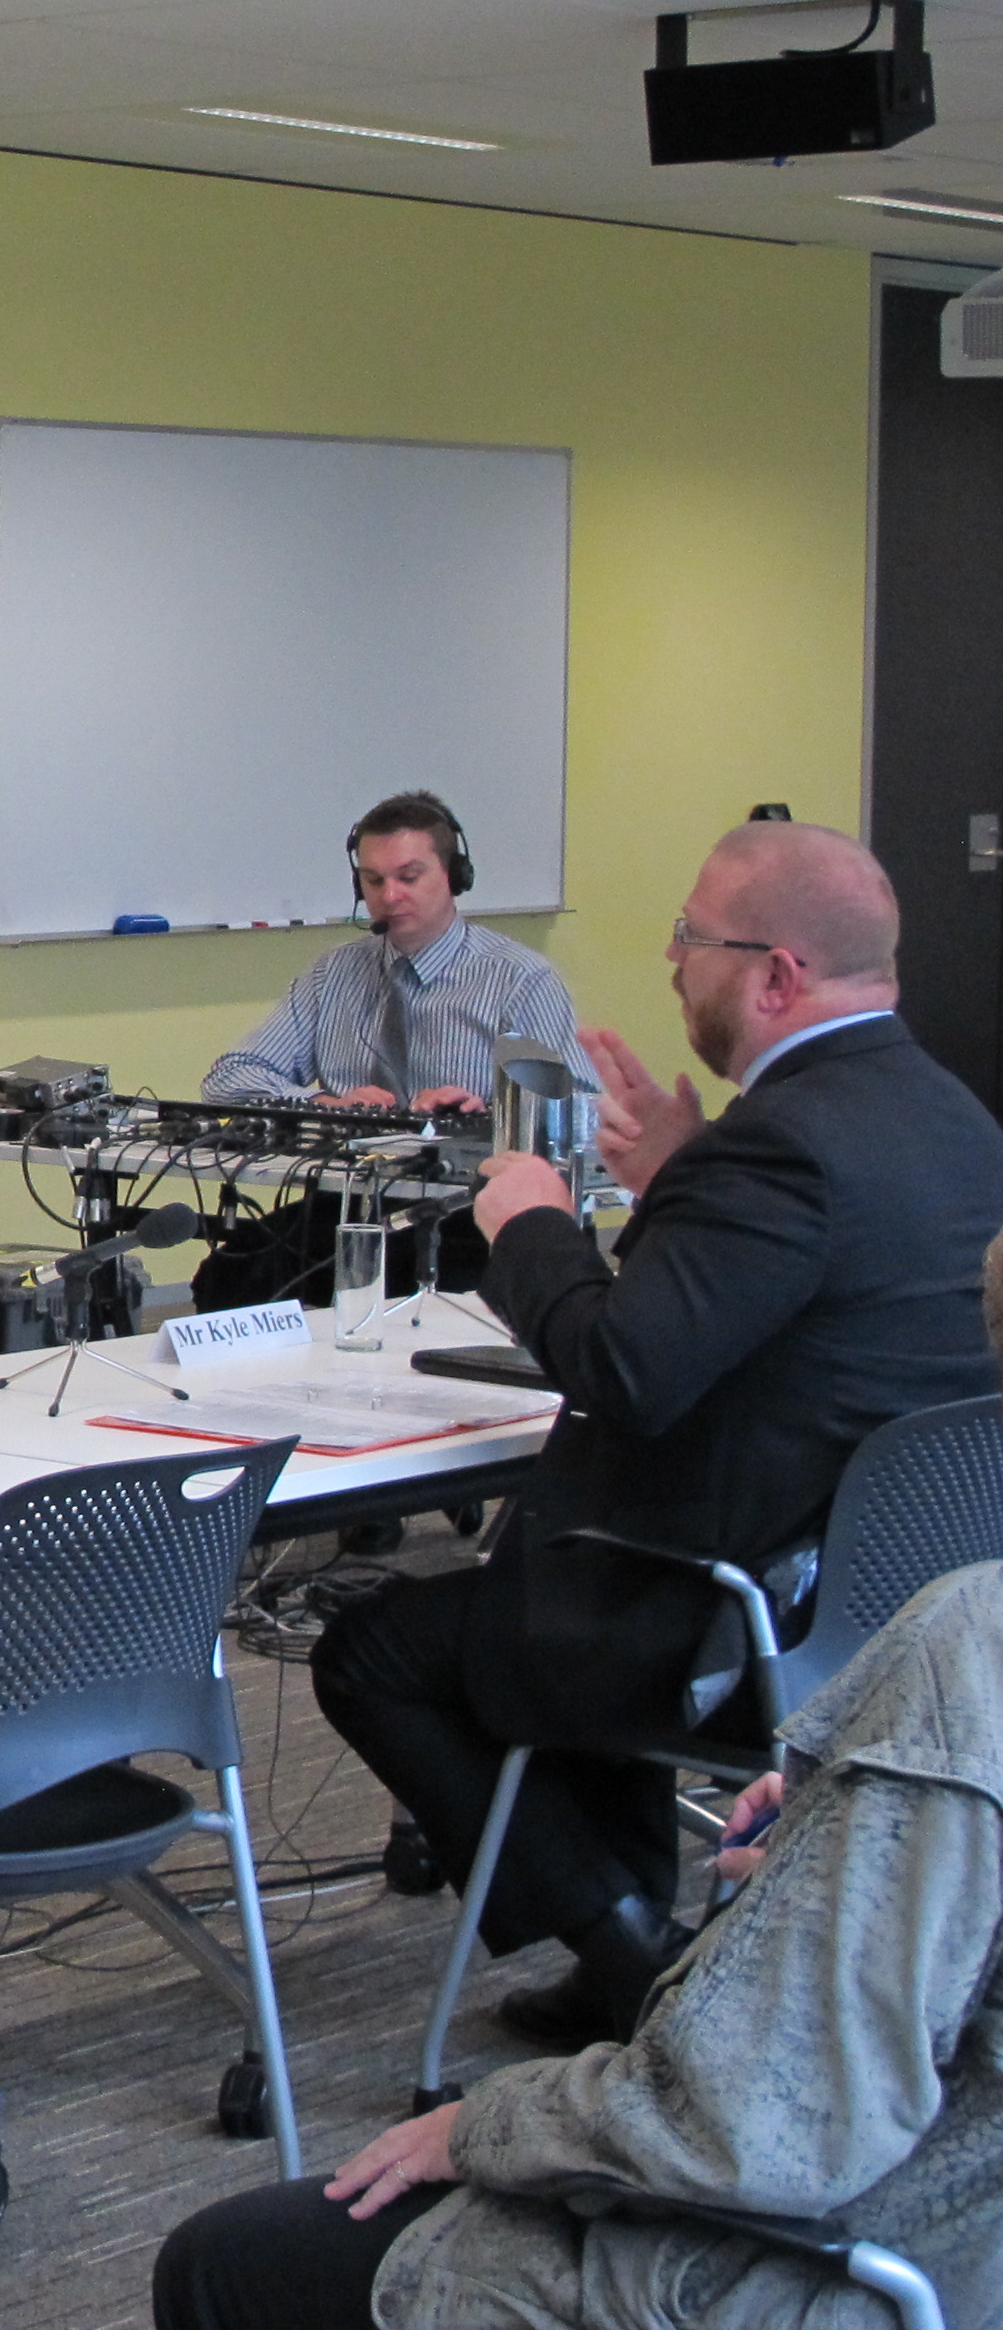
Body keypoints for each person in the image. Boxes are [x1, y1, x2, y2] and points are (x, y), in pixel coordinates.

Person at [314, 820, 1003, 2046]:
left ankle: (632, 1947)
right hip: (887, 1607)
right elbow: (789, 1299)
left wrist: (533, 1224)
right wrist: (684, 1175)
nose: (673, 959)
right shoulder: (949, 1117)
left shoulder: (781, 1149)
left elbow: (624, 1370)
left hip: (730, 1616)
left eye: (692, 938)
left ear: (777, 974)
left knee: (379, 1649)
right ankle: (623, 1932)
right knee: (550, 1586)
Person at [158, 1551, 1003, 2330]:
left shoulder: (971, 1645)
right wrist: (851, 1826)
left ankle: (615, 1935)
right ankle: (617, 1933)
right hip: (759, 1611)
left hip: (898, 2266)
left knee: (227, 2262)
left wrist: (481, 2128)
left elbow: (760, 2127)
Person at [206, 791, 590, 1113]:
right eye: (373, 881)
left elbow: (583, 1108)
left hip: (473, 1193)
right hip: (348, 1189)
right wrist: (326, 1102)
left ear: (454, 877)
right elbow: (229, 1078)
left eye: (409, 878)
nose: (389, 896)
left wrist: (484, 1115)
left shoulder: (518, 979)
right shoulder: (332, 974)